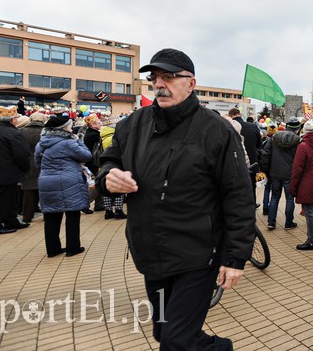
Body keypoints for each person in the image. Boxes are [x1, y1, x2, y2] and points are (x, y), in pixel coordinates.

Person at [96, 48, 255, 350]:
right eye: (154, 78)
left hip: (197, 255)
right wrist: (109, 177)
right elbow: (107, 162)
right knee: (165, 334)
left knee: (176, 339)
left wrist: (235, 259)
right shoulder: (132, 125)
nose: (158, 84)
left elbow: (238, 196)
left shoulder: (216, 130)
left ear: (191, 83)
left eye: (168, 77)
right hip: (151, 253)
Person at [36, 115, 92, 257]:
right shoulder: (69, 143)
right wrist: (78, 140)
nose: (71, 127)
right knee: (72, 214)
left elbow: (38, 162)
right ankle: (73, 248)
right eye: (69, 125)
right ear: (63, 128)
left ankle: (53, 250)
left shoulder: (41, 143)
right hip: (69, 182)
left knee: (51, 216)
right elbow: (86, 156)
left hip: (47, 181)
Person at [0, 106, 31, 235]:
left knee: (10, 198)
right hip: (8, 171)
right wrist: (26, 168)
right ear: (12, 120)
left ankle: (11, 221)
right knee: (2, 200)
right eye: (16, 117)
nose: (17, 119)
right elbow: (21, 154)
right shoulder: (13, 133)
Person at [289, 120, 313, 250]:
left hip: (306, 184)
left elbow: (297, 169)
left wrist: (293, 187)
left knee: (310, 212)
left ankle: (311, 241)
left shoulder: (303, 146)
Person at [259, 117, 301, 231]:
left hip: (275, 172)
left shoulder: (274, 137)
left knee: (274, 197)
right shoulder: (297, 140)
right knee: (289, 198)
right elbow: (299, 159)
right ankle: (288, 223)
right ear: (297, 128)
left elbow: (265, 154)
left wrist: (265, 170)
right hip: (289, 173)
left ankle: (271, 222)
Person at [20, 112, 48, 223]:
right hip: (43, 163)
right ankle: (47, 215)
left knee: (28, 192)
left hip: (27, 164)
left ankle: (27, 216)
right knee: (44, 191)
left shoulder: (22, 131)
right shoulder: (46, 132)